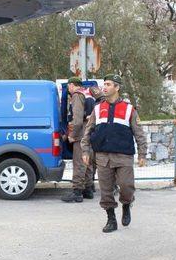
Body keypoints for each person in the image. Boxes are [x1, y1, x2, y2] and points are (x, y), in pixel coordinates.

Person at [80, 74, 147, 232]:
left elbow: (139, 133)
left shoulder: (129, 109)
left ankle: (126, 204)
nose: (105, 86)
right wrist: (85, 151)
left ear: (117, 88)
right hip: (103, 156)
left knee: (126, 186)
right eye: (104, 84)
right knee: (106, 190)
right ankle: (111, 219)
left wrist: (142, 154)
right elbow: (88, 131)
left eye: (109, 84)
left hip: (123, 156)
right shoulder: (98, 108)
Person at [61, 77, 96, 202]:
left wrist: (72, 136)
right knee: (88, 163)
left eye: (69, 87)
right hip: (90, 133)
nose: (69, 90)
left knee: (79, 163)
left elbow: (77, 120)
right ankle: (88, 189)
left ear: (71, 85)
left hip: (81, 135)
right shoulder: (88, 94)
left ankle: (77, 192)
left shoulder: (77, 95)